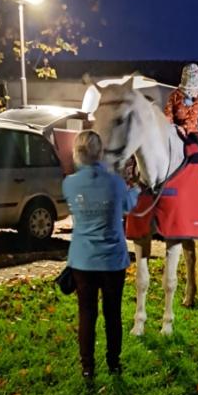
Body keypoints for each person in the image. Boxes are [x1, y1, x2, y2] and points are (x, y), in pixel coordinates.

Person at [62, 130, 140, 381]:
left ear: (77, 153)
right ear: (100, 153)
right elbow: (128, 206)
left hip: (83, 260)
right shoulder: (115, 183)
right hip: (112, 259)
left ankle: (87, 367)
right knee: (112, 313)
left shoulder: (69, 183)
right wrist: (137, 188)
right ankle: (113, 362)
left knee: (86, 314)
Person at [163, 62, 198, 179]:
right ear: (189, 88)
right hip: (173, 127)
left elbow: (192, 118)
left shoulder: (197, 100)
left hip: (190, 130)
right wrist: (170, 124)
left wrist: (185, 128)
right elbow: (168, 111)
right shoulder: (174, 96)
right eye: (196, 88)